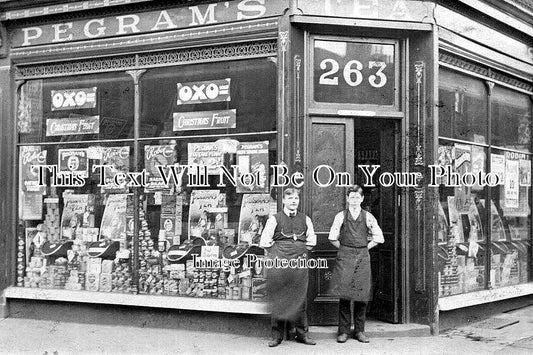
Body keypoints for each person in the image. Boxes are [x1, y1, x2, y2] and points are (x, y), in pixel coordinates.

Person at [259, 188, 317, 347]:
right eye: (290, 198)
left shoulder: (306, 219)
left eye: (296, 198)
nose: (293, 201)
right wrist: (280, 252)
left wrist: (298, 251)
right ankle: (276, 335)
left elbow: (311, 242)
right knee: (279, 297)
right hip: (280, 265)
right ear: (283, 201)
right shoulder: (274, 219)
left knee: (300, 298)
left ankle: (302, 334)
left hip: (299, 265)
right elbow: (264, 242)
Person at [328, 185, 384, 344]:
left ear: (362, 199)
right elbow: (332, 237)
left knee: (361, 295)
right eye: (351, 197)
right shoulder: (340, 216)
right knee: (345, 294)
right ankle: (343, 332)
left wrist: (366, 247)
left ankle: (359, 331)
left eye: (357, 197)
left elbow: (379, 237)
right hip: (345, 257)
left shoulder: (368, 217)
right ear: (347, 198)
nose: (354, 200)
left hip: (362, 257)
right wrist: (345, 249)